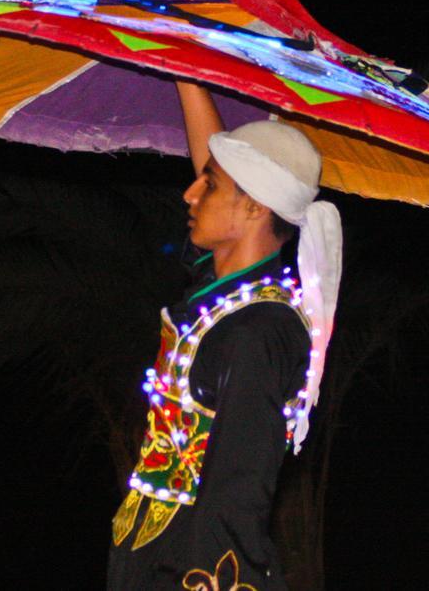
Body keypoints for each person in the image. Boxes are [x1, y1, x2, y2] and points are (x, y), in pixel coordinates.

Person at [106, 81, 342, 590]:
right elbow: (218, 169)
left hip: (190, 567)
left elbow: (238, 499)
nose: (190, 193)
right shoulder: (223, 293)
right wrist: (184, 72)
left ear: (255, 208)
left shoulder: (258, 331)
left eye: (208, 185)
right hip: (150, 551)